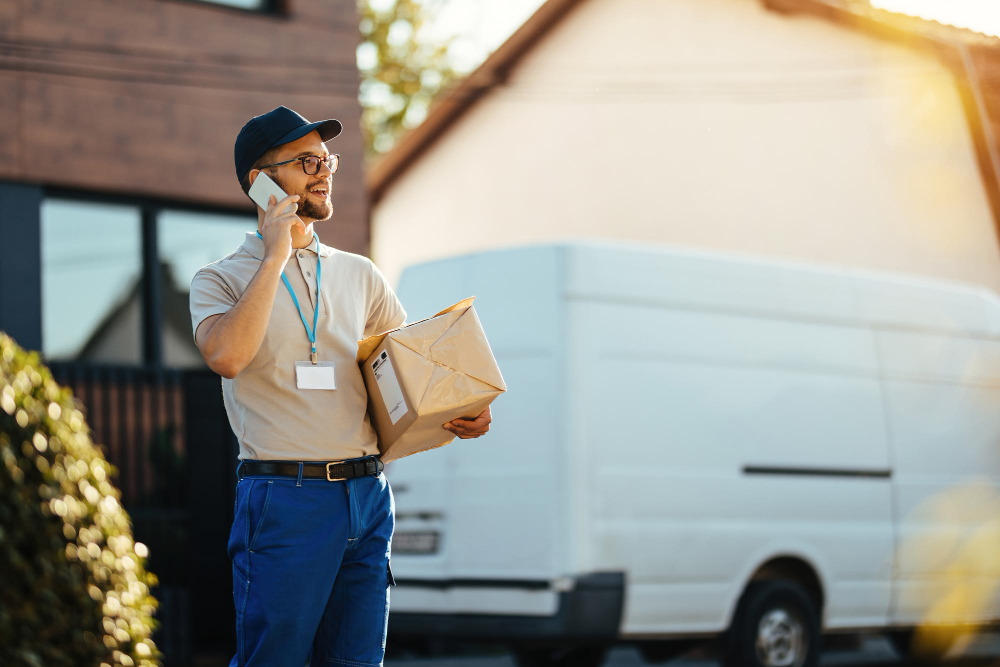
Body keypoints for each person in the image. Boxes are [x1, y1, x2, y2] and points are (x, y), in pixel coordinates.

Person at [188, 106, 492, 667]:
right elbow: (227, 357)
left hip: (368, 497)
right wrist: (277, 252)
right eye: (306, 162)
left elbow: (405, 374)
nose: (324, 171)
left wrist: (462, 410)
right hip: (285, 500)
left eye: (325, 159)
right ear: (260, 180)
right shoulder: (220, 280)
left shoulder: (361, 274)